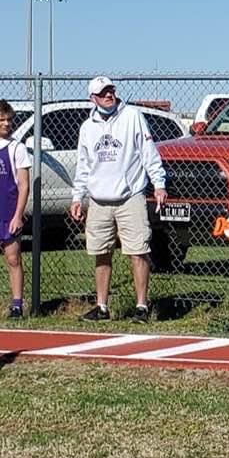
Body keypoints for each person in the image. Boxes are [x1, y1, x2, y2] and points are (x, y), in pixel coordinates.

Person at [70, 76, 167, 323]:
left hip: (129, 197)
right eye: (103, 93)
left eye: (111, 90)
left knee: (138, 251)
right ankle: (101, 307)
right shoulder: (87, 127)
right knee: (101, 253)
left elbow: (148, 152)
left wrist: (159, 183)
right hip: (99, 200)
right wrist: (77, 196)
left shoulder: (132, 116)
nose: (109, 95)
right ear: (93, 98)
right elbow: (83, 165)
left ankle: (142, 306)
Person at [0, 100, 31, 319]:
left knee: (13, 258)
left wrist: (18, 215)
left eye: (9, 120)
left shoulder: (16, 148)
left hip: (8, 212)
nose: (6, 124)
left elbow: (23, 184)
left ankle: (17, 304)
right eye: (2, 120)